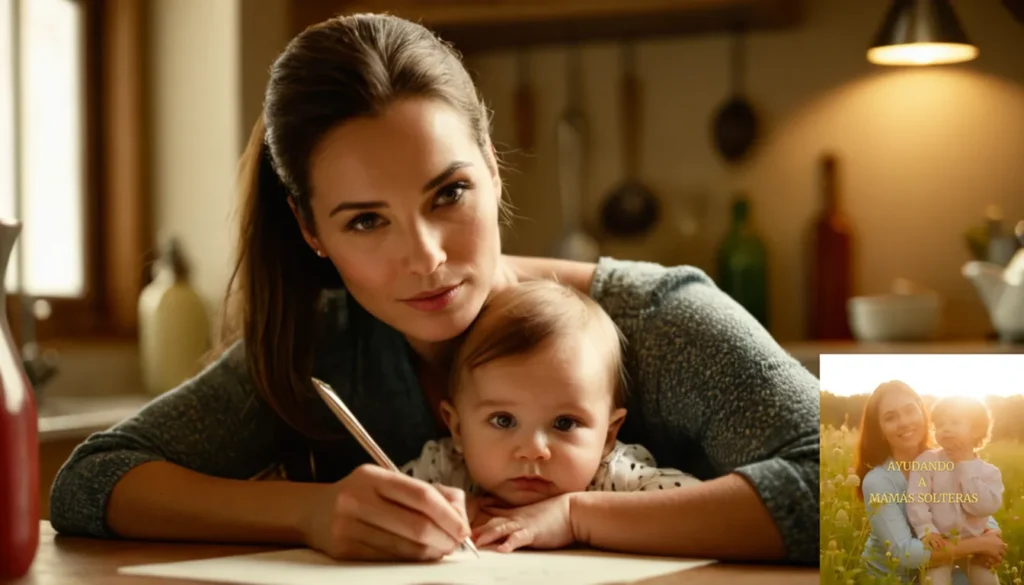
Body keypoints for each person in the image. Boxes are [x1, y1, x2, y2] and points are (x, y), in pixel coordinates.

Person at [48, 12, 819, 565]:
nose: (424, 257)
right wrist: (314, 511)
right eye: (364, 221)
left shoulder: (657, 318)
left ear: (490, 163)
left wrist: (582, 513)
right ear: (310, 230)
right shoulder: (319, 341)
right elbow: (93, 481)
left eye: (446, 194)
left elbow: (848, 483)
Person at [399, 280, 702, 552]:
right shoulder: (446, 471)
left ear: (608, 435)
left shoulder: (613, 480)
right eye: (503, 420)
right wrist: (436, 513)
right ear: (458, 428)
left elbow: (699, 511)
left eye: (565, 423)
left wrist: (579, 516)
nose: (533, 450)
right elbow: (379, 511)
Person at [855, 381, 1007, 583]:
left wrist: (992, 533)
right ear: (880, 429)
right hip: (894, 577)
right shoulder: (878, 481)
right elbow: (904, 553)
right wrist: (980, 544)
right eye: (890, 417)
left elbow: (972, 503)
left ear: (923, 413)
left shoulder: (946, 458)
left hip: (945, 562)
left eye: (910, 411)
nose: (904, 422)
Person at [906, 396, 1004, 585]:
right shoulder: (926, 462)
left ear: (976, 430)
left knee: (987, 580)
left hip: (975, 545)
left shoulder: (989, 473)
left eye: (955, 422)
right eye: (940, 424)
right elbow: (916, 500)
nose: (946, 429)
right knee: (934, 580)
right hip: (941, 543)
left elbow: (984, 508)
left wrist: (965, 465)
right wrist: (927, 530)